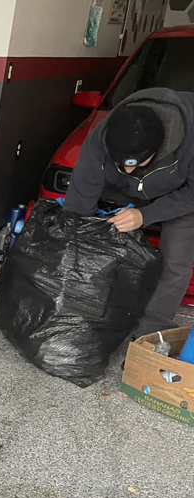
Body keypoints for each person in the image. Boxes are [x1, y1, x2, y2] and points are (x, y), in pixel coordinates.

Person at [64, 88, 194, 335]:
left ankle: (150, 335)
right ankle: (90, 313)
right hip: (125, 189)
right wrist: (75, 236)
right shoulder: (102, 137)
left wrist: (146, 215)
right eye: (121, 162)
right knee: (88, 238)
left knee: (176, 262)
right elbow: (81, 195)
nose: (128, 169)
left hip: (182, 190)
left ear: (159, 150)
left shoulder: (190, 140)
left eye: (136, 163)